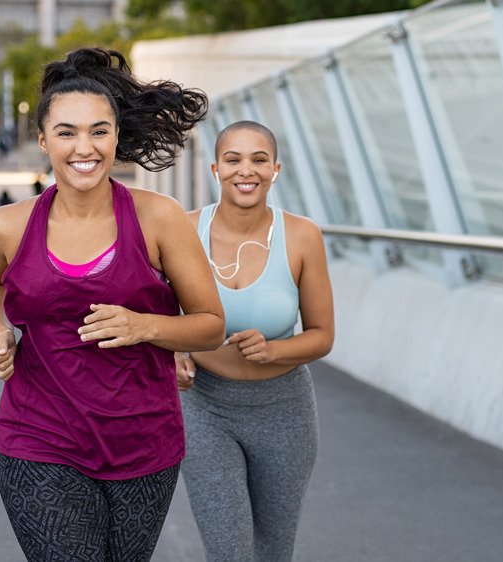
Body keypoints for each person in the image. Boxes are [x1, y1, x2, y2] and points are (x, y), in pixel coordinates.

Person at [0, 47, 225, 561]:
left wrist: (143, 326)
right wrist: (2, 331)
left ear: (116, 137)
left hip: (143, 441)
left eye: (99, 131)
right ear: (42, 139)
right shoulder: (8, 225)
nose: (83, 147)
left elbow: (211, 326)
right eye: (66, 132)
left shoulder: (159, 218)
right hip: (38, 436)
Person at [175, 120, 335, 562]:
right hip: (206, 408)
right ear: (215, 169)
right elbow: (158, 311)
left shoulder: (302, 236)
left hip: (285, 411)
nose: (246, 171)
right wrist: (174, 352)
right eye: (233, 159)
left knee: (273, 550)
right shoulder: (184, 230)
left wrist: (274, 350)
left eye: (259, 160)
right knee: (228, 550)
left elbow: (323, 336)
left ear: (276, 170)